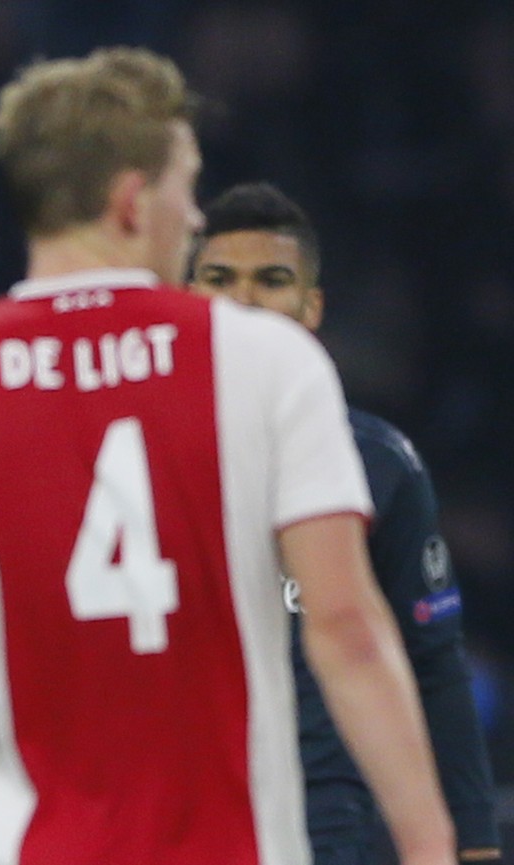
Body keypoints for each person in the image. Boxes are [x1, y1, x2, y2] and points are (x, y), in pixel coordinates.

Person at [0, 46, 456, 865]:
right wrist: (430, 845)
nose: (197, 215)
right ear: (132, 199)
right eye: (187, 184)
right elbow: (345, 628)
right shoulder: (267, 362)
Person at [189, 181, 501, 865]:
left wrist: (474, 840)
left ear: (311, 307)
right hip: (179, 816)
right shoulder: (124, 459)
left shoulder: (379, 464)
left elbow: (435, 661)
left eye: (272, 279)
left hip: (328, 824)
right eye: (220, 278)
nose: (243, 300)